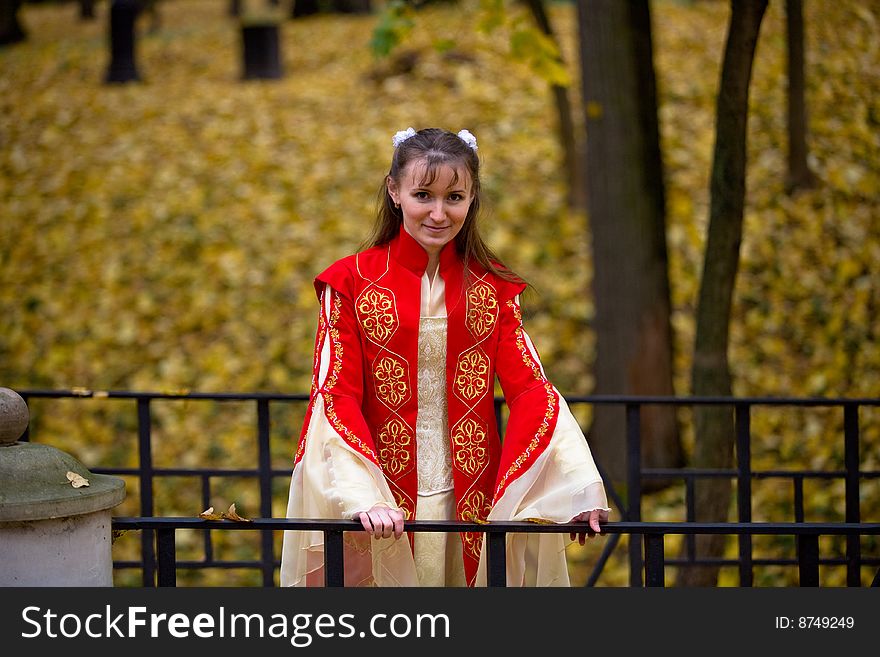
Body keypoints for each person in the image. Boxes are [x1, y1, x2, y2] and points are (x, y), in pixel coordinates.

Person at [280, 127, 610, 587]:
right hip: (382, 501)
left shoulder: (492, 289)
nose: (438, 212)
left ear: (472, 197)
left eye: (454, 196)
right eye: (423, 195)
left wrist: (578, 487)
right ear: (394, 191)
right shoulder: (350, 283)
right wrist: (362, 496)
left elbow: (532, 388)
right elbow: (335, 393)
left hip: (473, 500)